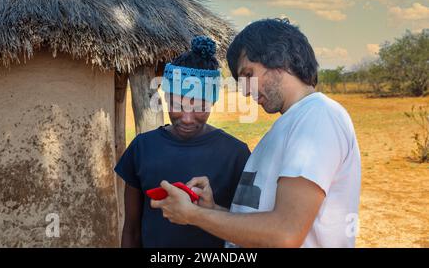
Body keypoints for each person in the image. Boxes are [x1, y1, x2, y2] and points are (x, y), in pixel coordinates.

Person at [152, 19, 362, 248]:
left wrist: (193, 215)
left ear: (279, 59)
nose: (244, 90)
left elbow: (285, 234)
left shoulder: (318, 117)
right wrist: (211, 209)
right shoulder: (292, 122)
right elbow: (263, 218)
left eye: (248, 74)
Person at [114, 36, 250, 248]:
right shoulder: (141, 149)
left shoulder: (236, 155)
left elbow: (249, 227)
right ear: (166, 98)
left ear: (212, 101)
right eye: (178, 104)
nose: (187, 118)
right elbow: (131, 229)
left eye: (199, 107)